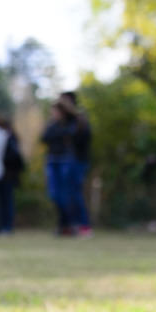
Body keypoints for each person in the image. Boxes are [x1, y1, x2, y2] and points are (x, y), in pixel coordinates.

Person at [41, 100, 77, 235]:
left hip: (65, 160)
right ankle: (63, 225)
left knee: (66, 194)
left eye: (56, 111)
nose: (53, 114)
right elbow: (44, 138)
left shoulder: (72, 123)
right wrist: (58, 132)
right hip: (52, 160)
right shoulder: (52, 125)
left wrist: (57, 133)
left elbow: (70, 134)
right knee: (54, 194)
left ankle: (69, 225)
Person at [60, 91, 93, 238]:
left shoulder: (80, 118)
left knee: (76, 194)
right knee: (68, 195)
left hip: (79, 161)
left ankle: (84, 225)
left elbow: (85, 138)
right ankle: (72, 225)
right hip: (69, 160)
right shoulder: (66, 121)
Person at [0, 117, 25, 234]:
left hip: (8, 174)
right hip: (4, 174)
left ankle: (8, 226)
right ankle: (4, 225)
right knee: (4, 200)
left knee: (7, 200)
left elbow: (15, 158)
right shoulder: (10, 139)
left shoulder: (10, 140)